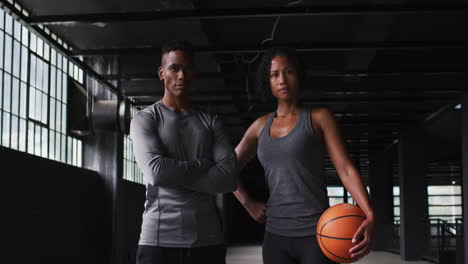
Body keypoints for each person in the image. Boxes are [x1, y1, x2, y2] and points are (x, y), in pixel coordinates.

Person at [233, 48, 375, 264]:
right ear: (268, 81)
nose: (282, 79)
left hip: (317, 234)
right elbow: (225, 170)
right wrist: (248, 203)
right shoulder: (259, 127)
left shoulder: (319, 118)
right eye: (274, 74)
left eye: (288, 71)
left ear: (298, 75)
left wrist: (369, 213)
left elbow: (345, 169)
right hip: (275, 236)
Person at [130, 40, 239, 264]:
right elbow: (156, 173)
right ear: (162, 73)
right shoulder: (145, 119)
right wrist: (202, 165)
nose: (181, 75)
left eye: (187, 68)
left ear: (194, 74)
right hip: (159, 241)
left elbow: (229, 179)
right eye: (174, 68)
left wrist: (174, 173)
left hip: (207, 240)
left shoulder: (211, 121)